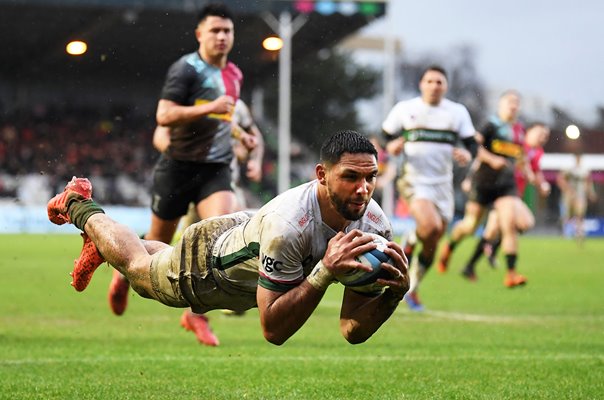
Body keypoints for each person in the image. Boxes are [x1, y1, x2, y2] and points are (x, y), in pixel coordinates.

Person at [48, 130, 410, 346]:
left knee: (159, 259)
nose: (363, 190)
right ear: (321, 174)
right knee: (140, 272)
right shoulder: (290, 228)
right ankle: (79, 204)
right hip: (210, 265)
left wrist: (393, 296)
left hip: (246, 237)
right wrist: (323, 273)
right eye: (350, 177)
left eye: (371, 178)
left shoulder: (375, 229)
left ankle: (99, 243)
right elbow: (273, 331)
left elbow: (351, 330)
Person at [101, 3, 246, 346]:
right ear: (200, 34)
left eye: (227, 31)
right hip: (178, 168)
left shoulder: (235, 75)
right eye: (215, 30)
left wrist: (243, 136)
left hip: (216, 169)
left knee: (222, 240)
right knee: (158, 248)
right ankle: (123, 271)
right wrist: (210, 107)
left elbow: (223, 121)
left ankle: (195, 315)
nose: (222, 36)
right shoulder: (186, 70)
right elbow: (164, 115)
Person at [381, 65, 478, 311]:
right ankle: (413, 241)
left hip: (442, 185)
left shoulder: (457, 112)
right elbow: (384, 135)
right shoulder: (406, 109)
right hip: (414, 181)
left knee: (433, 239)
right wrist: (391, 146)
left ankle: (413, 287)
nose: (434, 86)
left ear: (446, 86)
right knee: (431, 226)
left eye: (439, 82)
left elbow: (471, 144)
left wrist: (466, 153)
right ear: (421, 84)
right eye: (430, 81)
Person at [438, 90, 529, 288]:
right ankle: (450, 247)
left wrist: (527, 170)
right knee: (470, 226)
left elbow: (520, 156)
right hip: (484, 183)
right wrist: (492, 159)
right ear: (500, 105)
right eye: (509, 102)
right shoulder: (491, 125)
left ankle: (511, 273)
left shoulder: (520, 131)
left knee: (510, 224)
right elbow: (474, 147)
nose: (513, 106)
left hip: (506, 185)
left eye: (516, 102)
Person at [460, 122, 551, 280]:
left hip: (513, 194)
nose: (543, 138)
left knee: (499, 229)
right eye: (540, 133)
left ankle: (476, 261)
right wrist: (469, 178)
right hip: (501, 192)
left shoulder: (536, 153)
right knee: (516, 224)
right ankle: (500, 263)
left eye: (546, 136)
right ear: (529, 131)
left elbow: (535, 172)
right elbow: (482, 157)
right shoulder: (514, 143)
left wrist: (542, 184)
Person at [557, 153, 597, 245]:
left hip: (580, 196)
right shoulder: (570, 169)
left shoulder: (585, 170)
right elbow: (560, 178)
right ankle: (566, 234)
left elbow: (588, 183)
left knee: (580, 215)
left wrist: (591, 193)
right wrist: (567, 189)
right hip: (569, 196)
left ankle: (579, 234)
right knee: (567, 216)